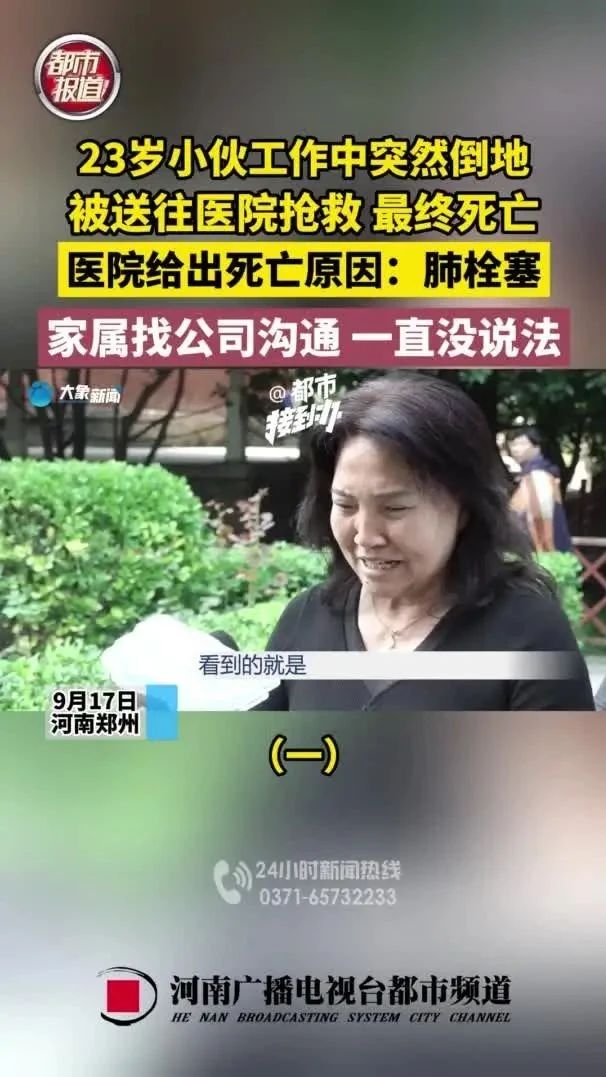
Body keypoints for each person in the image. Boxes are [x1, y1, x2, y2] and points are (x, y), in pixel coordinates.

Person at [253, 374, 594, 711]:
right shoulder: (306, 618)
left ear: (463, 508)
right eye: (345, 505)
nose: (365, 536)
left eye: (394, 508)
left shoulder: (530, 637)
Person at [507, 427, 573, 553]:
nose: (515, 449)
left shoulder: (538, 476)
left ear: (537, 446)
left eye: (522, 444)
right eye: (513, 444)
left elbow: (541, 518)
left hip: (541, 552)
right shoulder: (533, 475)